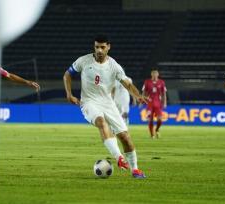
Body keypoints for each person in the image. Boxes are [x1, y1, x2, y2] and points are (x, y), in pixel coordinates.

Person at [63, 35, 148, 179]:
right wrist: (69, 94)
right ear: (94, 47)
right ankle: (119, 157)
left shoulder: (114, 66)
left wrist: (137, 95)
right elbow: (67, 75)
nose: (99, 50)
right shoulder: (83, 60)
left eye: (102, 47)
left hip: (108, 103)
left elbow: (126, 83)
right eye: (97, 47)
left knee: (125, 137)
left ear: (108, 47)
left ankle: (135, 170)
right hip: (89, 102)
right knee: (102, 123)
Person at [142, 69, 167, 139]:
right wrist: (143, 99)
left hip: (158, 103)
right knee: (150, 120)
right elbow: (144, 92)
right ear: (151, 75)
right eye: (153, 74)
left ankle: (157, 130)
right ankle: (152, 134)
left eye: (156, 74)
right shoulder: (147, 82)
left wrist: (164, 102)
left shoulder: (161, 82)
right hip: (150, 103)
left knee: (160, 119)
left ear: (158, 75)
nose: (155, 75)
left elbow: (164, 93)